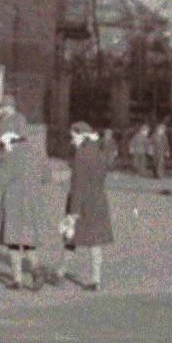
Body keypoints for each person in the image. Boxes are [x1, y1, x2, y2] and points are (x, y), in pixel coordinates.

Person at [0, 127, 48, 290]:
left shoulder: (10, 157)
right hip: (32, 203)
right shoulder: (36, 155)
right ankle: (36, 269)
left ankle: (17, 279)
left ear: (8, 143)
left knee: (13, 242)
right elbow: (46, 177)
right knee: (27, 241)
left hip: (14, 203)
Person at [63, 121, 113, 291]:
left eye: (73, 137)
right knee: (95, 242)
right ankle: (96, 278)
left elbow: (78, 185)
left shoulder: (81, 155)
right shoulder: (99, 152)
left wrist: (73, 211)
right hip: (99, 201)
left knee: (70, 236)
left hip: (83, 203)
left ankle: (61, 271)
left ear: (81, 136)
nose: (72, 141)